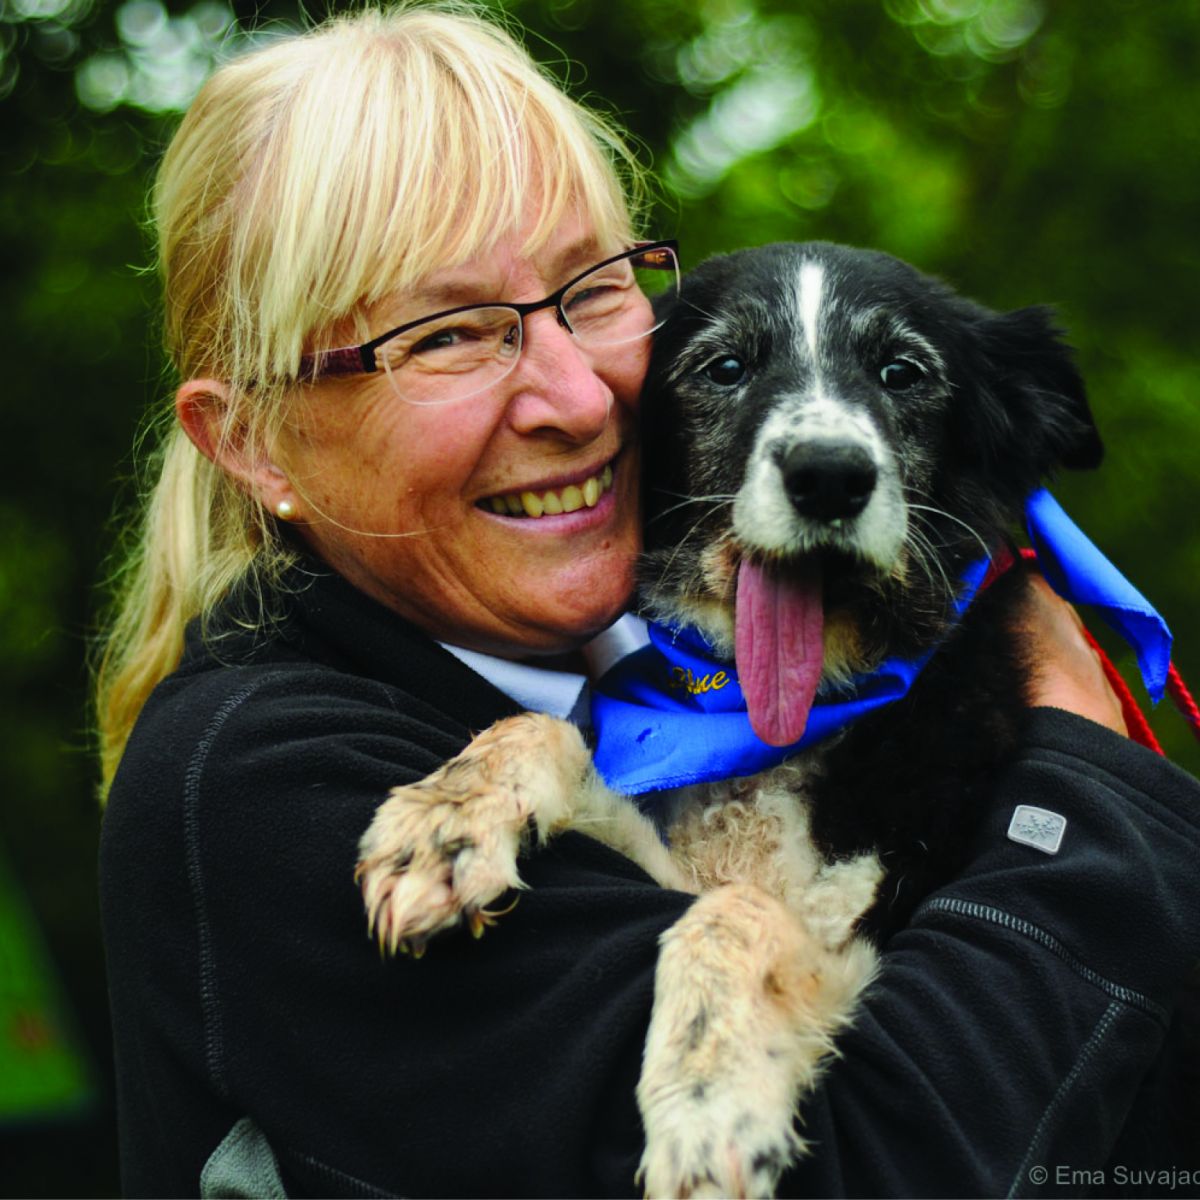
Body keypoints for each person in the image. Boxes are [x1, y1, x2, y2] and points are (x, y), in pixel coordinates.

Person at [94, 5, 1200, 1197]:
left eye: (590, 292)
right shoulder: (267, 781)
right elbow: (873, 1168)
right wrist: (1085, 779)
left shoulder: (660, 678)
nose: (580, 399)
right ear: (254, 440)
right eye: (449, 335)